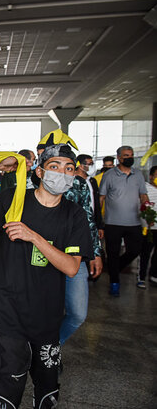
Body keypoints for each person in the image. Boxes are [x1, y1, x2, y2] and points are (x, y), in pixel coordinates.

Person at [0, 144, 92, 409]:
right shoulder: (12, 199)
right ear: (39, 171)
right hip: (6, 309)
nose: (62, 174)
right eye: (54, 167)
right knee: (8, 387)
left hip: (46, 312)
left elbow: (71, 267)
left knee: (47, 391)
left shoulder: (74, 214)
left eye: (69, 169)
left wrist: (34, 237)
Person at [59, 155, 103, 347]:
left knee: (77, 314)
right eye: (55, 164)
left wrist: (95, 252)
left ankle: (52, 347)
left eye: (69, 166)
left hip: (75, 254)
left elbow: (88, 218)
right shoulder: (33, 182)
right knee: (43, 311)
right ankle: (45, 356)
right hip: (43, 254)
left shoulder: (79, 184)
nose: (63, 170)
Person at [100, 146, 148, 296]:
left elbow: (143, 195)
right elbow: (101, 198)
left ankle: (115, 267)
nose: (130, 158)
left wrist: (147, 209)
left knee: (136, 249)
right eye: (126, 155)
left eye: (131, 155)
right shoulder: (109, 175)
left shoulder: (138, 175)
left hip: (134, 222)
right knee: (112, 253)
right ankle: (114, 283)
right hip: (113, 222)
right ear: (119, 158)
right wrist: (98, 222)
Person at [138, 165, 157, 288]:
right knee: (145, 253)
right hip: (148, 228)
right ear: (151, 176)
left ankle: (154, 275)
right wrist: (146, 221)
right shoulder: (145, 189)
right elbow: (140, 206)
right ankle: (141, 277)